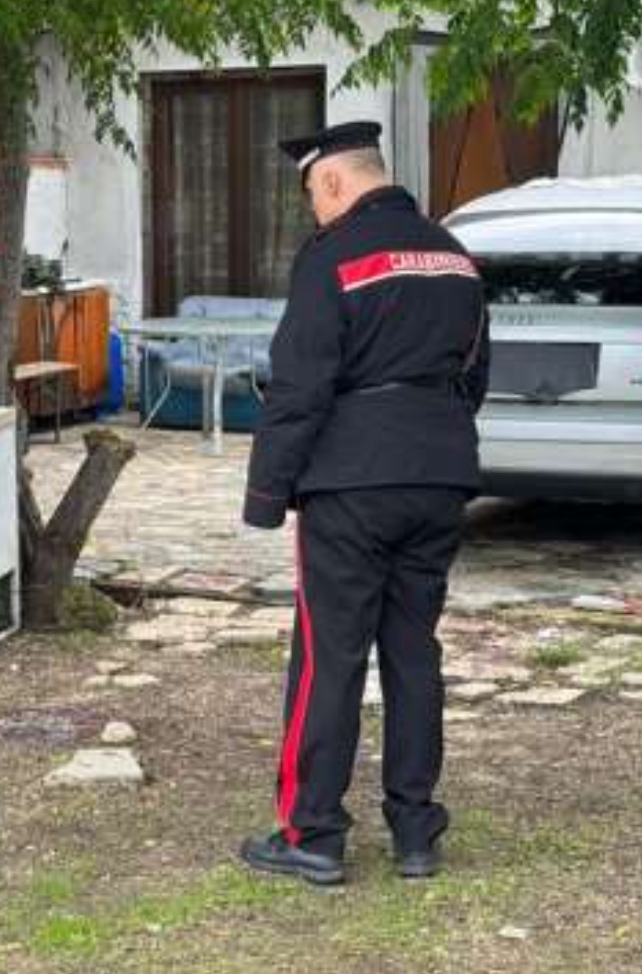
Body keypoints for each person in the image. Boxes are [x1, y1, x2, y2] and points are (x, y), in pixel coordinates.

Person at [237, 121, 489, 886]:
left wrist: (265, 493)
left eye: (314, 191)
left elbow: (300, 384)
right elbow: (474, 374)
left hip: (350, 484)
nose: (314, 208)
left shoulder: (333, 257)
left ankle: (313, 831)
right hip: (440, 477)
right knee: (413, 651)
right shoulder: (456, 256)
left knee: (329, 657)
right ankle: (416, 832)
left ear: (337, 183)